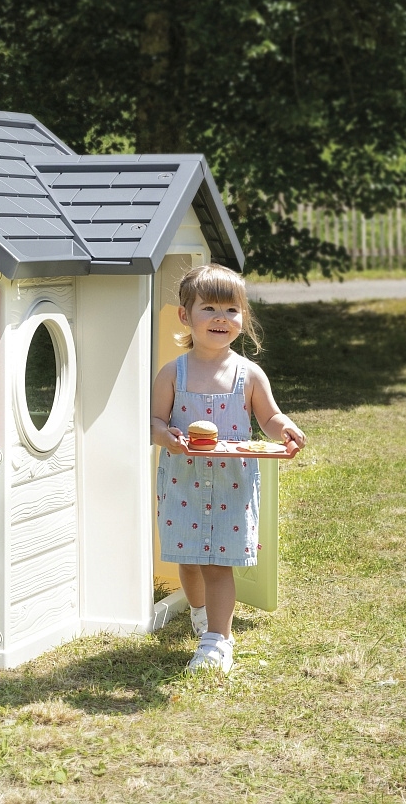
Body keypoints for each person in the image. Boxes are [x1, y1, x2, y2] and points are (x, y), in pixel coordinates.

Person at [149, 263, 306, 673]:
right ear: (185, 315)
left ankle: (218, 641)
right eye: (209, 308)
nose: (221, 318)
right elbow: (154, 422)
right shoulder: (173, 373)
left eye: (231, 310)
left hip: (231, 485)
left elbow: (269, 418)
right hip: (184, 482)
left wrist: (285, 428)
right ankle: (200, 613)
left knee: (217, 563)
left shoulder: (248, 374)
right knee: (189, 559)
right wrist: (166, 436)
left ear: (243, 317)